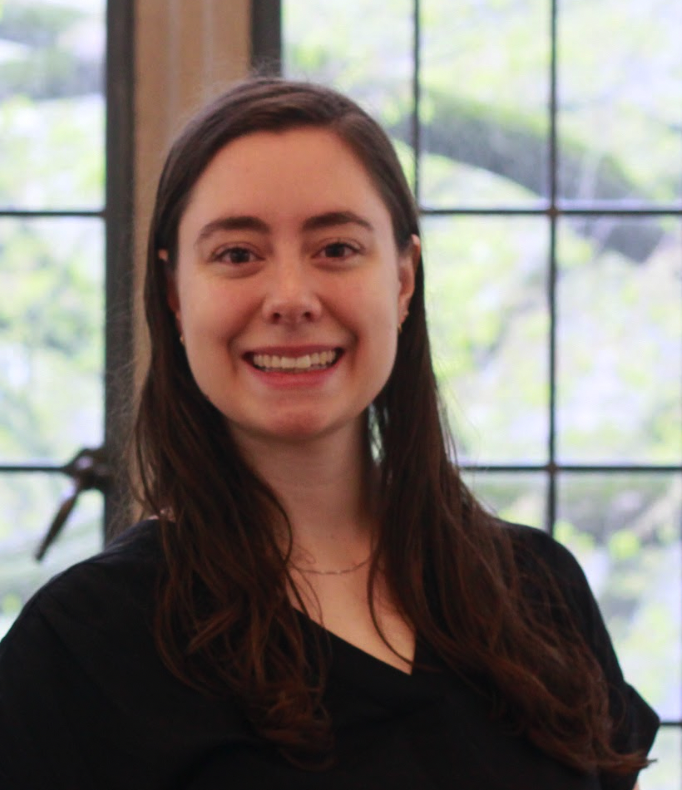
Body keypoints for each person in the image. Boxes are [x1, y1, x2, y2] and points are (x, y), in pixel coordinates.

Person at [0, 78, 658, 789]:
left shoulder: (540, 594)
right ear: (174, 295)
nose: (290, 299)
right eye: (237, 254)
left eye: (337, 248)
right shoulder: (82, 646)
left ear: (403, 280)